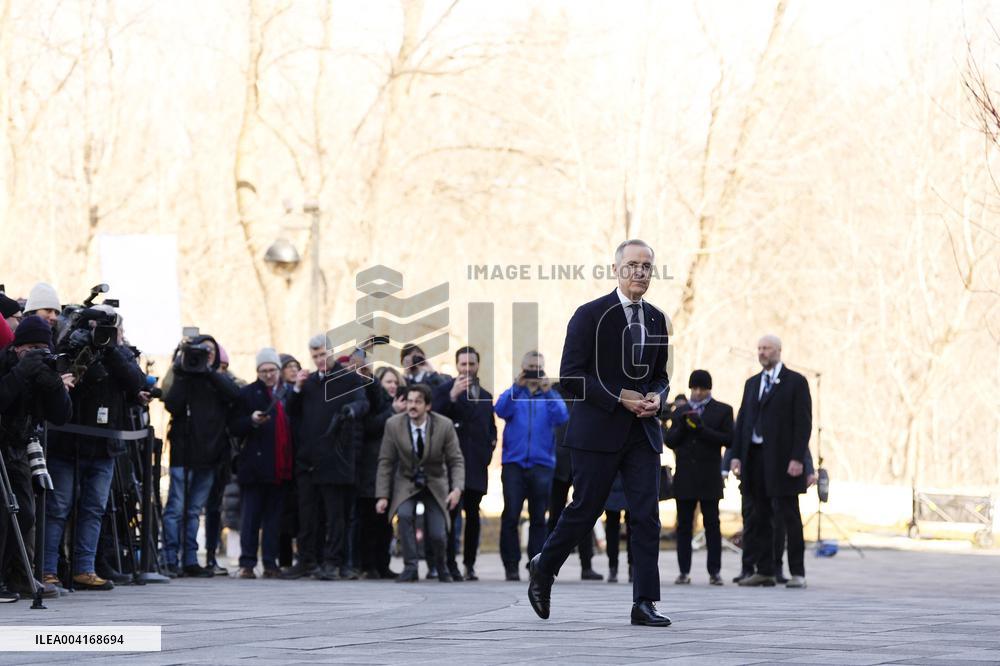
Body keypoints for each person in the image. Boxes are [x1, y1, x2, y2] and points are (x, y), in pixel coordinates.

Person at [528, 239, 671, 627]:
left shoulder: (657, 319)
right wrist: (618, 399)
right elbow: (571, 375)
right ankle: (545, 565)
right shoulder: (589, 315)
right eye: (633, 265)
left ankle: (645, 601)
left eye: (646, 266)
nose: (640, 272)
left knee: (646, 516)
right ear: (616, 269)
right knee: (586, 508)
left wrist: (658, 396)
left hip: (643, 432)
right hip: (598, 430)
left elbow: (661, 375)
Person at [45, 306, 146, 592]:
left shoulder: (117, 352)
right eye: (94, 329)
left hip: (104, 447)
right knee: (57, 508)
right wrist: (74, 343)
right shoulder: (68, 344)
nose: (98, 334)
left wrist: (110, 347)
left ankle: (84, 569)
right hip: (68, 444)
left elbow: (136, 381)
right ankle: (48, 570)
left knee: (94, 509)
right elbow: (58, 374)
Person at [730, 335, 812, 589]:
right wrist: (736, 455)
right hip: (755, 458)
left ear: (778, 351)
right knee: (759, 515)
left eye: (766, 348)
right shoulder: (752, 383)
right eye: (759, 348)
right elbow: (743, 421)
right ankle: (764, 570)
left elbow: (803, 423)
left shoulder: (795, 382)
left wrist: (798, 458)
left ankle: (797, 572)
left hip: (784, 459)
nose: (762, 352)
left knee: (789, 515)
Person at [0, 316, 73, 601]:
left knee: (27, 514)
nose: (35, 353)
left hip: (19, 445)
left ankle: (19, 578)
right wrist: (20, 373)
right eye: (29, 347)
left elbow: (62, 416)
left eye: (42, 347)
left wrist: (54, 383)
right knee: (4, 514)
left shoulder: (44, 370)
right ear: (17, 347)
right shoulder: (5, 364)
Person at [285, 335, 368, 581]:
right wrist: (297, 389)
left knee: (335, 516)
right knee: (307, 514)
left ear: (331, 352)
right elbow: (291, 412)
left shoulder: (350, 378)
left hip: (336, 458)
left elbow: (363, 404)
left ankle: (333, 561)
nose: (320, 360)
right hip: (308, 459)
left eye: (323, 354)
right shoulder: (308, 383)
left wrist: (351, 411)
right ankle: (307, 560)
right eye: (315, 356)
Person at [161, 334, 240, 578]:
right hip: (182, 454)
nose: (204, 355)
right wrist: (182, 370)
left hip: (209, 455)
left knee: (194, 510)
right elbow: (171, 404)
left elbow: (235, 396)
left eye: (210, 351)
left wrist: (209, 372)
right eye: (200, 351)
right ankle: (170, 559)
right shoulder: (184, 377)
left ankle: (190, 559)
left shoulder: (218, 379)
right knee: (175, 508)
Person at [375, 384, 464, 583]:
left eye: (418, 402)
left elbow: (456, 460)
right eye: (409, 401)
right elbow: (386, 461)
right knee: (404, 515)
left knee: (438, 533)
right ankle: (410, 567)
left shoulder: (444, 425)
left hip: (435, 481)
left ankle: (440, 566)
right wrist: (382, 496)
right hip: (406, 481)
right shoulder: (393, 424)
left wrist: (456, 488)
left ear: (428, 406)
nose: (412, 406)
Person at [494, 351, 568, 581]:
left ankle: (536, 564)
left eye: (538, 367)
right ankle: (511, 565)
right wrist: (517, 386)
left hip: (542, 465)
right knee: (511, 516)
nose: (534, 370)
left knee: (538, 518)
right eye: (530, 367)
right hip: (514, 464)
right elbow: (500, 409)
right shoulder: (515, 394)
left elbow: (562, 417)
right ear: (522, 368)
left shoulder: (550, 396)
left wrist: (548, 391)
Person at [432, 346, 496, 582]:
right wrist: (451, 397)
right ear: (456, 365)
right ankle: (449, 563)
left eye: (471, 364)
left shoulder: (486, 395)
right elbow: (435, 417)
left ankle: (470, 564)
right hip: (451, 466)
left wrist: (488, 451)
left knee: (473, 517)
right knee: (451, 515)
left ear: (477, 365)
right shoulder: (443, 390)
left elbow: (491, 428)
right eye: (463, 364)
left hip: (477, 464)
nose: (467, 368)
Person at [229, 348, 293, 579]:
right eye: (263, 371)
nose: (268, 375)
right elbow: (234, 426)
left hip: (280, 466)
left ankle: (270, 562)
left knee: (274, 520)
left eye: (272, 370)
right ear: (257, 371)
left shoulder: (289, 394)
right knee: (251, 518)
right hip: (254, 468)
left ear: (278, 370)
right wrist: (251, 421)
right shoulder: (247, 394)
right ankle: (247, 563)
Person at [665, 370, 733, 586]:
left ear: (708, 389)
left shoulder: (722, 410)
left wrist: (702, 430)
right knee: (684, 525)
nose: (697, 393)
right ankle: (683, 571)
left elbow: (729, 439)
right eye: (693, 388)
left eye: (701, 389)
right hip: (685, 476)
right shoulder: (681, 411)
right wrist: (683, 428)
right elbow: (671, 441)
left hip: (709, 476)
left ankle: (715, 571)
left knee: (712, 524)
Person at [548, 381, 603, 581]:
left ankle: (586, 565)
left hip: (582, 458)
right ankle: (548, 564)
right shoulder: (553, 392)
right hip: (557, 461)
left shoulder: (588, 389)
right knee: (555, 516)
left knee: (585, 513)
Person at [356, 366, 406, 579]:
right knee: (369, 521)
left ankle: (382, 564)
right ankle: (368, 564)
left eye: (395, 382)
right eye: (388, 382)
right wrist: (392, 412)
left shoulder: (405, 406)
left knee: (386, 523)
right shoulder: (376, 405)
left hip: (394, 473)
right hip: (372, 471)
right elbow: (371, 427)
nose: (393, 386)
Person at [603, 474, 631, 584]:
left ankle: (613, 567)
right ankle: (632, 567)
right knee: (633, 525)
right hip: (630, 477)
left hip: (611, 477)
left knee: (612, 526)